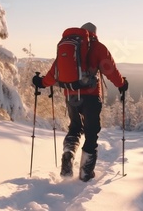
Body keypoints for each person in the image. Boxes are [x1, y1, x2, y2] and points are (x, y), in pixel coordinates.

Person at [32, 22, 128, 182]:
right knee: (91, 133)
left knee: (75, 128)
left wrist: (41, 83)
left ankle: (68, 155)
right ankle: (85, 173)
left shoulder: (70, 47)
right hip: (90, 97)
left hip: (71, 96)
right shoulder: (98, 47)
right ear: (95, 33)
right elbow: (110, 69)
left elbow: (54, 72)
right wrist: (122, 84)